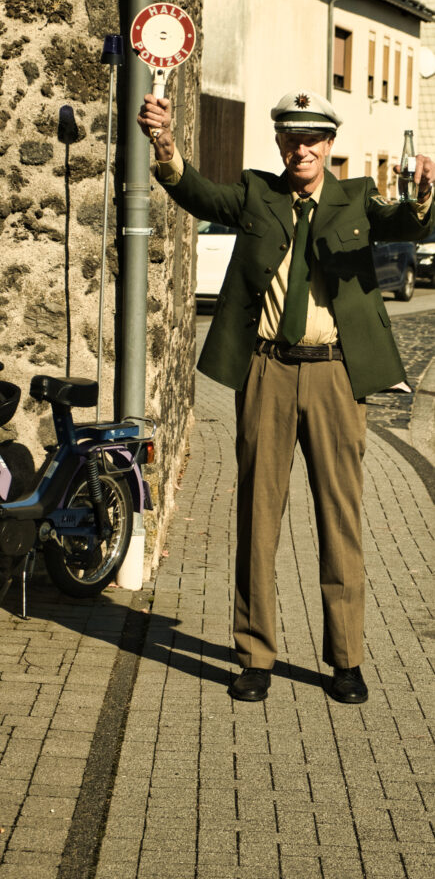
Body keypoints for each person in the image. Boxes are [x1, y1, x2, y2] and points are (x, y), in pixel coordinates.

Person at [138, 89, 434, 704]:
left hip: (334, 376)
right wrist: (165, 146)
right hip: (267, 370)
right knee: (257, 516)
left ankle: (346, 659)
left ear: (329, 145)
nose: (302, 148)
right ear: (279, 143)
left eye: (314, 139)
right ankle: (254, 655)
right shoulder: (257, 193)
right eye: (292, 138)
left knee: (340, 518)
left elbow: (403, 222)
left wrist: (425, 197)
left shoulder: (355, 198)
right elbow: (196, 192)